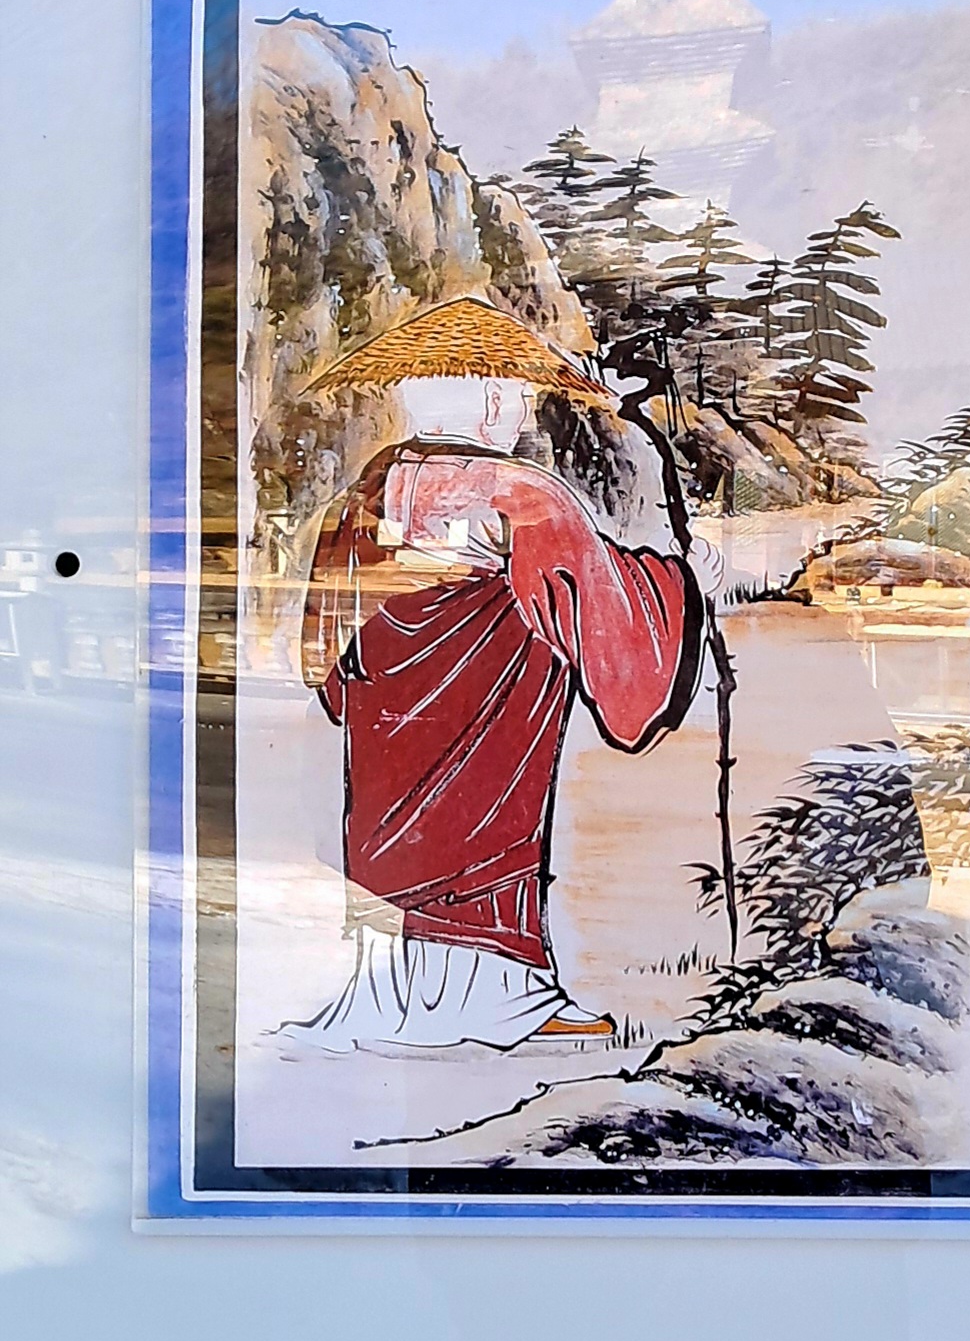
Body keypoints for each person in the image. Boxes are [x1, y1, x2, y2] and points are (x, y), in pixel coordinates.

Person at [281, 299, 712, 1053]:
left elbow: (325, 644)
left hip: (389, 723)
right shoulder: (523, 495)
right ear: (485, 399)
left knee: (400, 840)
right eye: (514, 393)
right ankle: (497, 1001)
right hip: (492, 726)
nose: (520, 409)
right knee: (482, 843)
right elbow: (599, 606)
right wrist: (678, 578)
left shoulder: (366, 495)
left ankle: (390, 996)